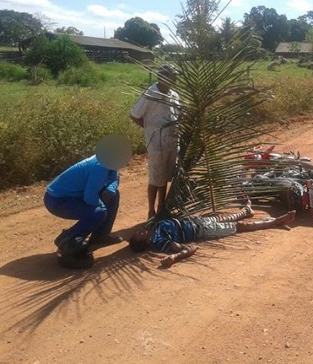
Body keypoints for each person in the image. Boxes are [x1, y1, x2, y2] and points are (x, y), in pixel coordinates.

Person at [44, 134, 132, 269]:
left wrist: (110, 190)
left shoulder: (110, 161)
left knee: (113, 195)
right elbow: (90, 197)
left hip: (72, 196)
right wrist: (103, 207)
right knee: (98, 213)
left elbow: (115, 179)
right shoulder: (100, 166)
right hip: (57, 200)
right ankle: (66, 240)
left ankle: (100, 237)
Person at [129, 203, 296, 268]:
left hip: (196, 222)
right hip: (202, 231)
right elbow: (190, 247)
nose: (139, 231)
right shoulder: (160, 241)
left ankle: (246, 210)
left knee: (222, 217)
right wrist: (174, 257)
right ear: (144, 241)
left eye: (137, 232)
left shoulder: (153, 227)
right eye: (138, 235)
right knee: (240, 227)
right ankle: (274, 222)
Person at [130, 64, 181, 220]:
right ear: (160, 77)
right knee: (155, 177)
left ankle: (162, 207)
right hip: (156, 144)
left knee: (165, 176)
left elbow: (178, 115)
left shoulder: (174, 95)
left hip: (171, 142)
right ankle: (151, 211)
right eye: (167, 76)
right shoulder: (150, 94)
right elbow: (134, 115)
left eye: (173, 77)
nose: (170, 79)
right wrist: (150, 129)